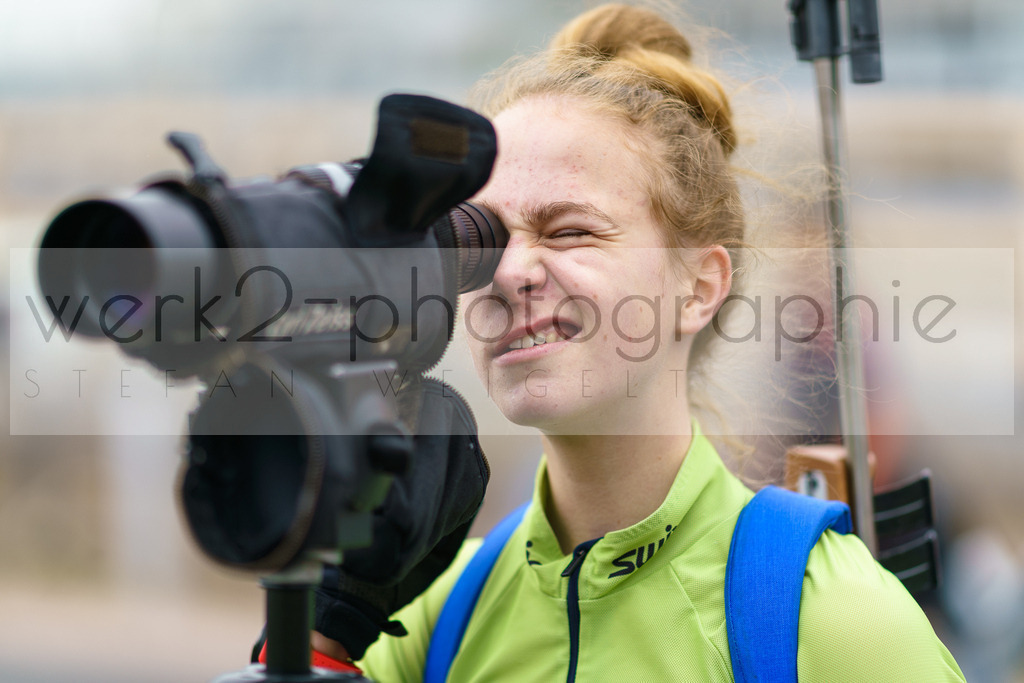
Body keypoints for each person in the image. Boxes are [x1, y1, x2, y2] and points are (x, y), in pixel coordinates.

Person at [311, 4, 966, 680]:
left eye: (569, 230)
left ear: (699, 285)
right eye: (482, 240)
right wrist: (321, 641)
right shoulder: (427, 622)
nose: (509, 272)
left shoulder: (835, 620)